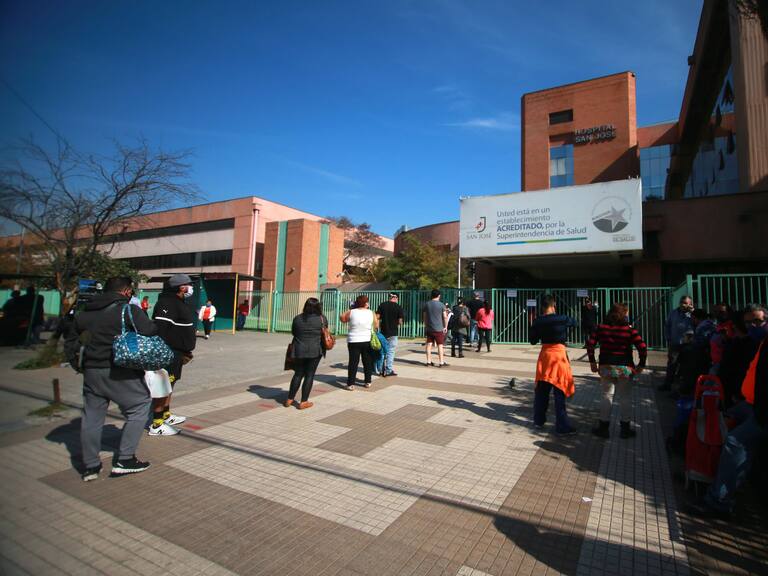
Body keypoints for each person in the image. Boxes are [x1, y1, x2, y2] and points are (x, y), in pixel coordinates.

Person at [64, 276, 154, 480]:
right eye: (131, 290)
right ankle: (125, 459)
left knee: (92, 417)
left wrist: (77, 363)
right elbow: (150, 330)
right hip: (119, 370)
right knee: (140, 406)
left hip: (91, 371)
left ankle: (90, 466)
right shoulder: (128, 310)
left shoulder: (85, 311)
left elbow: (70, 340)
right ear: (125, 291)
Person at [695, 333, 767, 517]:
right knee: (718, 421)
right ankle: (704, 476)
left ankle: (719, 501)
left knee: (735, 442)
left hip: (761, 410)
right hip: (750, 402)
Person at [587, 302, 648, 439]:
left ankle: (603, 429)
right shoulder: (629, 330)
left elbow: (590, 344)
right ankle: (625, 430)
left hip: (606, 367)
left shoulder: (600, 328)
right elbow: (642, 347)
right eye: (626, 313)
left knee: (606, 395)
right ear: (623, 314)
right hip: (625, 368)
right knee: (625, 397)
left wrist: (592, 361)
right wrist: (641, 364)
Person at [150, 274, 196, 436]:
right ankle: (156, 424)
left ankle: (166, 415)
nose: (191, 288)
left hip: (178, 353)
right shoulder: (167, 303)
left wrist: (186, 350)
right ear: (181, 287)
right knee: (162, 387)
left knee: (170, 385)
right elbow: (161, 329)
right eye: (189, 285)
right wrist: (164, 352)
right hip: (168, 353)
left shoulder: (179, 302)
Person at [530, 295, 578, 435]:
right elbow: (575, 323)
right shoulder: (562, 318)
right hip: (559, 357)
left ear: (542, 307)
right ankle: (562, 426)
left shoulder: (538, 321)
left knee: (541, 391)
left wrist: (533, 324)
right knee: (559, 391)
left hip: (545, 358)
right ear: (554, 305)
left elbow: (532, 340)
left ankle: (538, 421)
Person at [285, 298, 328, 409]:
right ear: (318, 307)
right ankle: (303, 401)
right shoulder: (322, 319)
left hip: (299, 349)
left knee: (298, 374)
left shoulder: (297, 318)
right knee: (309, 375)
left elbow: (294, 332)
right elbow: (325, 333)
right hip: (315, 350)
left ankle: (290, 399)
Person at [340, 295, 378, 390]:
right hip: (367, 340)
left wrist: (351, 309)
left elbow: (342, 318)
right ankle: (368, 381)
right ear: (366, 303)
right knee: (367, 361)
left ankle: (350, 384)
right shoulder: (371, 312)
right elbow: (376, 325)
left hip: (354, 340)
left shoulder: (352, 312)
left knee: (353, 362)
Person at [660, 295, 694, 391]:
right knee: (672, 364)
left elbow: (697, 324)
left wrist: (693, 312)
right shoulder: (673, 313)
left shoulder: (692, 314)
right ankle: (667, 384)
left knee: (685, 367)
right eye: (684, 302)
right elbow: (667, 325)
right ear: (680, 303)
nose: (685, 305)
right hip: (674, 343)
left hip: (687, 345)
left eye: (688, 303)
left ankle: (682, 388)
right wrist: (668, 338)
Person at [376, 292, 404, 377]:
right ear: (396, 298)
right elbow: (400, 321)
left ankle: (380, 370)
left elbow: (377, 317)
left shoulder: (382, 305)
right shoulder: (398, 307)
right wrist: (398, 323)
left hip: (383, 332)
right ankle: (388, 370)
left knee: (381, 351)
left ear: (389, 297)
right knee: (391, 351)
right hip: (393, 332)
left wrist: (377, 327)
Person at [423, 289, 448, 367]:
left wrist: (426, 325)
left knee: (429, 344)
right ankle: (441, 362)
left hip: (429, 328)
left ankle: (428, 362)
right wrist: (445, 326)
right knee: (440, 345)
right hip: (439, 328)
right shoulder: (441, 305)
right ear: (439, 295)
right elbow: (445, 317)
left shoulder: (427, 304)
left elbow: (424, 317)